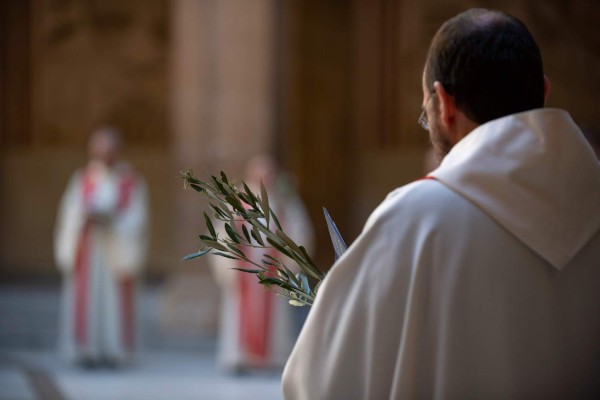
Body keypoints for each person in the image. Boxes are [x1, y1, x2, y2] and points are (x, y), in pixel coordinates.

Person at [283, 8, 600, 399]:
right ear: (544, 92)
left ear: (444, 103)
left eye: (425, 110)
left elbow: (316, 383)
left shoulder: (412, 222)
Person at [54, 127, 149, 367]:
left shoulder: (130, 181)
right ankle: (87, 350)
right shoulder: (82, 179)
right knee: (89, 299)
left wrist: (113, 218)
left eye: (109, 150)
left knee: (114, 302)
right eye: (99, 149)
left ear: (118, 151)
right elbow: (69, 212)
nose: (104, 154)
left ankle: (114, 351)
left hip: (116, 251)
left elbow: (138, 218)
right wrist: (82, 218)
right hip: (88, 249)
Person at [210, 154, 314, 373]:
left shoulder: (285, 201)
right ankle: (239, 357)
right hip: (245, 268)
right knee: (240, 312)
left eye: (268, 174)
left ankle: (273, 357)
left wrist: (288, 261)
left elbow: (299, 231)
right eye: (260, 174)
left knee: (274, 317)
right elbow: (221, 232)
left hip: (273, 267)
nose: (264, 178)